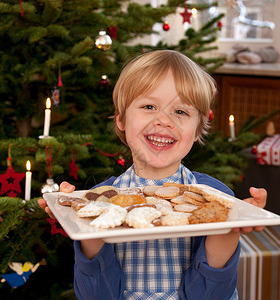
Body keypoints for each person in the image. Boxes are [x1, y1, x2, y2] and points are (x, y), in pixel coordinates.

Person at [38, 50, 267, 300]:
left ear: (197, 128)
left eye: (180, 112)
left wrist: (228, 228)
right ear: (121, 120)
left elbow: (212, 296)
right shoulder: (99, 198)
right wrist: (83, 222)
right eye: (149, 106)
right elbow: (97, 295)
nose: (163, 120)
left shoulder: (216, 198)